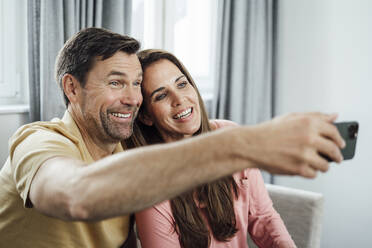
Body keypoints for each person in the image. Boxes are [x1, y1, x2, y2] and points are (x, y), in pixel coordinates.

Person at [0, 27, 344, 247]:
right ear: (72, 88)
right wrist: (242, 144)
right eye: (116, 82)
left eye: (136, 84)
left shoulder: (132, 151)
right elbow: (77, 195)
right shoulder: (38, 140)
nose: (133, 98)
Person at [129, 49, 296, 248]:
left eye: (182, 84)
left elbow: (263, 218)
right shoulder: (150, 189)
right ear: (146, 116)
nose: (179, 99)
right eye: (161, 95)